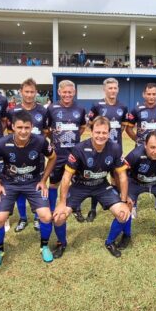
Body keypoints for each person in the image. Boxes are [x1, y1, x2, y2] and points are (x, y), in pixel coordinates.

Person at [0, 111, 57, 266]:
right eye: (20, 127)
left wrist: (44, 180)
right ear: (13, 127)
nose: (23, 131)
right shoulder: (2, 143)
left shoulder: (41, 141)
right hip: (9, 184)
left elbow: (53, 157)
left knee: (46, 216)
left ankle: (44, 246)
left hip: (33, 183)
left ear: (32, 127)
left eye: (27, 128)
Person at [53, 117, 131, 258]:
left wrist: (124, 201)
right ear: (91, 132)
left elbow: (123, 177)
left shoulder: (115, 148)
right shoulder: (79, 149)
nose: (101, 136)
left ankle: (110, 242)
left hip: (101, 186)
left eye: (104, 132)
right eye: (97, 132)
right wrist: (61, 203)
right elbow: (66, 178)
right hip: (80, 186)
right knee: (59, 217)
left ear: (109, 133)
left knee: (123, 214)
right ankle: (61, 243)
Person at [84, 78, 129, 222]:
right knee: (96, 178)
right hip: (98, 149)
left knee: (116, 177)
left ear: (118, 89)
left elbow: (122, 126)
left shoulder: (123, 106)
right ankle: (92, 209)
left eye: (115, 88)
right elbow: (91, 124)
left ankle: (114, 203)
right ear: (104, 89)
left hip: (115, 149)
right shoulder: (97, 105)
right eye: (110, 88)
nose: (113, 91)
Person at [8, 78, 50, 232]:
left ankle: (38, 218)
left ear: (36, 92)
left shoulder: (43, 111)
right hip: (17, 156)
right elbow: (9, 133)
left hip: (37, 155)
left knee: (37, 185)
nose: (29, 95)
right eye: (26, 91)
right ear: (21, 92)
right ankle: (23, 218)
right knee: (19, 186)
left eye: (32, 92)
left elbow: (46, 132)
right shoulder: (13, 111)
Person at [45, 80, 86, 220]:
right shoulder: (51, 108)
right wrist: (56, 138)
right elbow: (47, 129)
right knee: (54, 183)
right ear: (59, 92)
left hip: (74, 153)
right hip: (57, 154)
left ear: (74, 92)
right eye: (64, 92)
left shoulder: (80, 109)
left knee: (75, 181)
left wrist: (72, 138)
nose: (67, 95)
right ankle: (51, 208)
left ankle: (76, 208)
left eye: (70, 92)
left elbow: (82, 127)